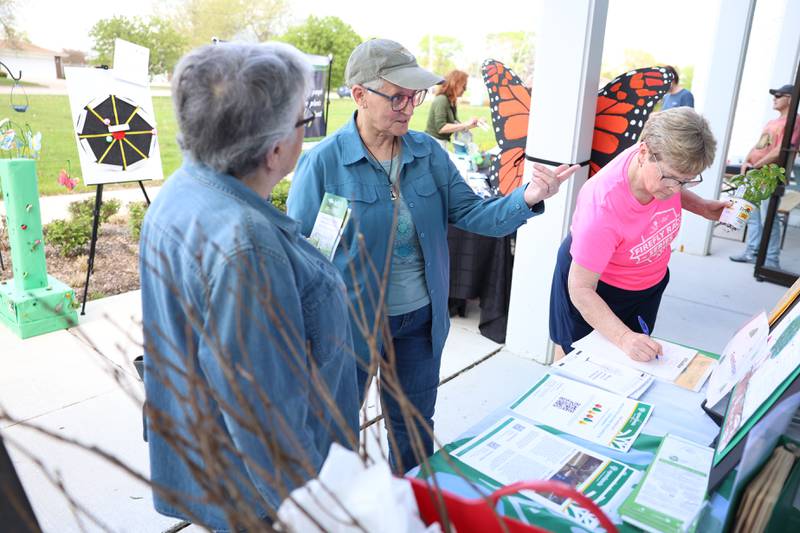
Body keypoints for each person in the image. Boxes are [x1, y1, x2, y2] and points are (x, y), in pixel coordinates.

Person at [287, 38, 578, 472]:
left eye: (414, 96)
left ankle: (411, 505)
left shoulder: (428, 155)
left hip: (420, 323)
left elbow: (477, 215)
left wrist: (530, 195)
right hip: (350, 327)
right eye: (398, 96)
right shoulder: (324, 164)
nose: (409, 106)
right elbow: (302, 260)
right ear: (360, 95)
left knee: (414, 427)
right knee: (336, 430)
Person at [139, 42, 359, 530]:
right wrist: (320, 513)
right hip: (262, 500)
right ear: (276, 149)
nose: (308, 132)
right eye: (304, 120)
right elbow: (267, 419)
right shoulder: (246, 243)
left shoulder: (182, 189)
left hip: (214, 469)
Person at [549, 107, 725, 361]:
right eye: (671, 178)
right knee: (575, 357)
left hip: (645, 284)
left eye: (686, 181)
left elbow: (674, 184)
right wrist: (623, 337)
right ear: (643, 153)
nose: (676, 189)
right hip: (597, 287)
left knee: (628, 363)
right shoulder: (602, 206)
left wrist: (702, 207)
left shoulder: (660, 161)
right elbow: (580, 289)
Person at [729, 83, 800, 269]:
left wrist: (757, 165)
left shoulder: (795, 121)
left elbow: (781, 151)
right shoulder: (771, 122)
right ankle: (752, 252)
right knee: (752, 215)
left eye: (779, 94)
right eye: (774, 94)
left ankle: (770, 259)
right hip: (755, 173)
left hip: (768, 175)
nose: (774, 98)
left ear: (790, 99)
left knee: (769, 217)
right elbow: (758, 145)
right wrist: (746, 162)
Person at [425, 69, 481, 148]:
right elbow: (441, 128)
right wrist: (466, 124)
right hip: (433, 144)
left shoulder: (451, 102)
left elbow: (456, 125)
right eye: (463, 86)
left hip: (440, 144)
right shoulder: (441, 100)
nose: (465, 89)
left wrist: (474, 124)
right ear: (454, 84)